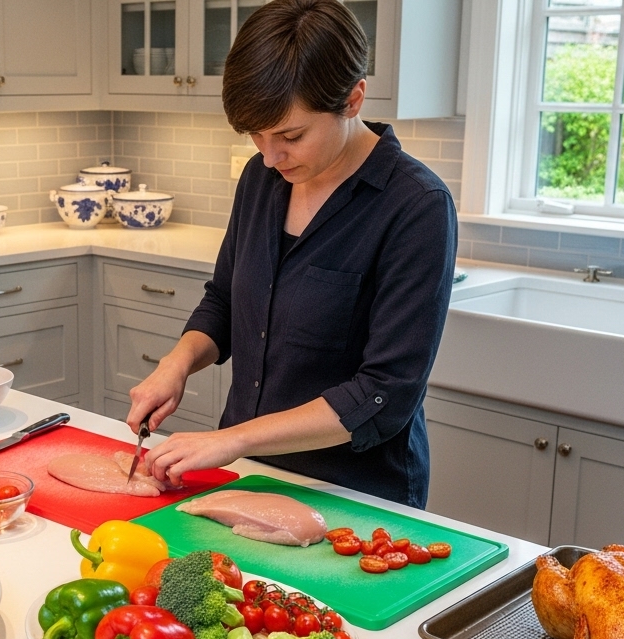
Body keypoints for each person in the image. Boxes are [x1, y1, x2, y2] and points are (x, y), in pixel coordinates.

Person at [126, 0, 456, 508]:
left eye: (290, 135)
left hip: (354, 497)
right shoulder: (262, 179)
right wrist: (177, 363)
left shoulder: (416, 207)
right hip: (246, 477)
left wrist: (235, 438)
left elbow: (382, 394)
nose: (269, 154)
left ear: (353, 99)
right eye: (256, 135)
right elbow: (225, 301)